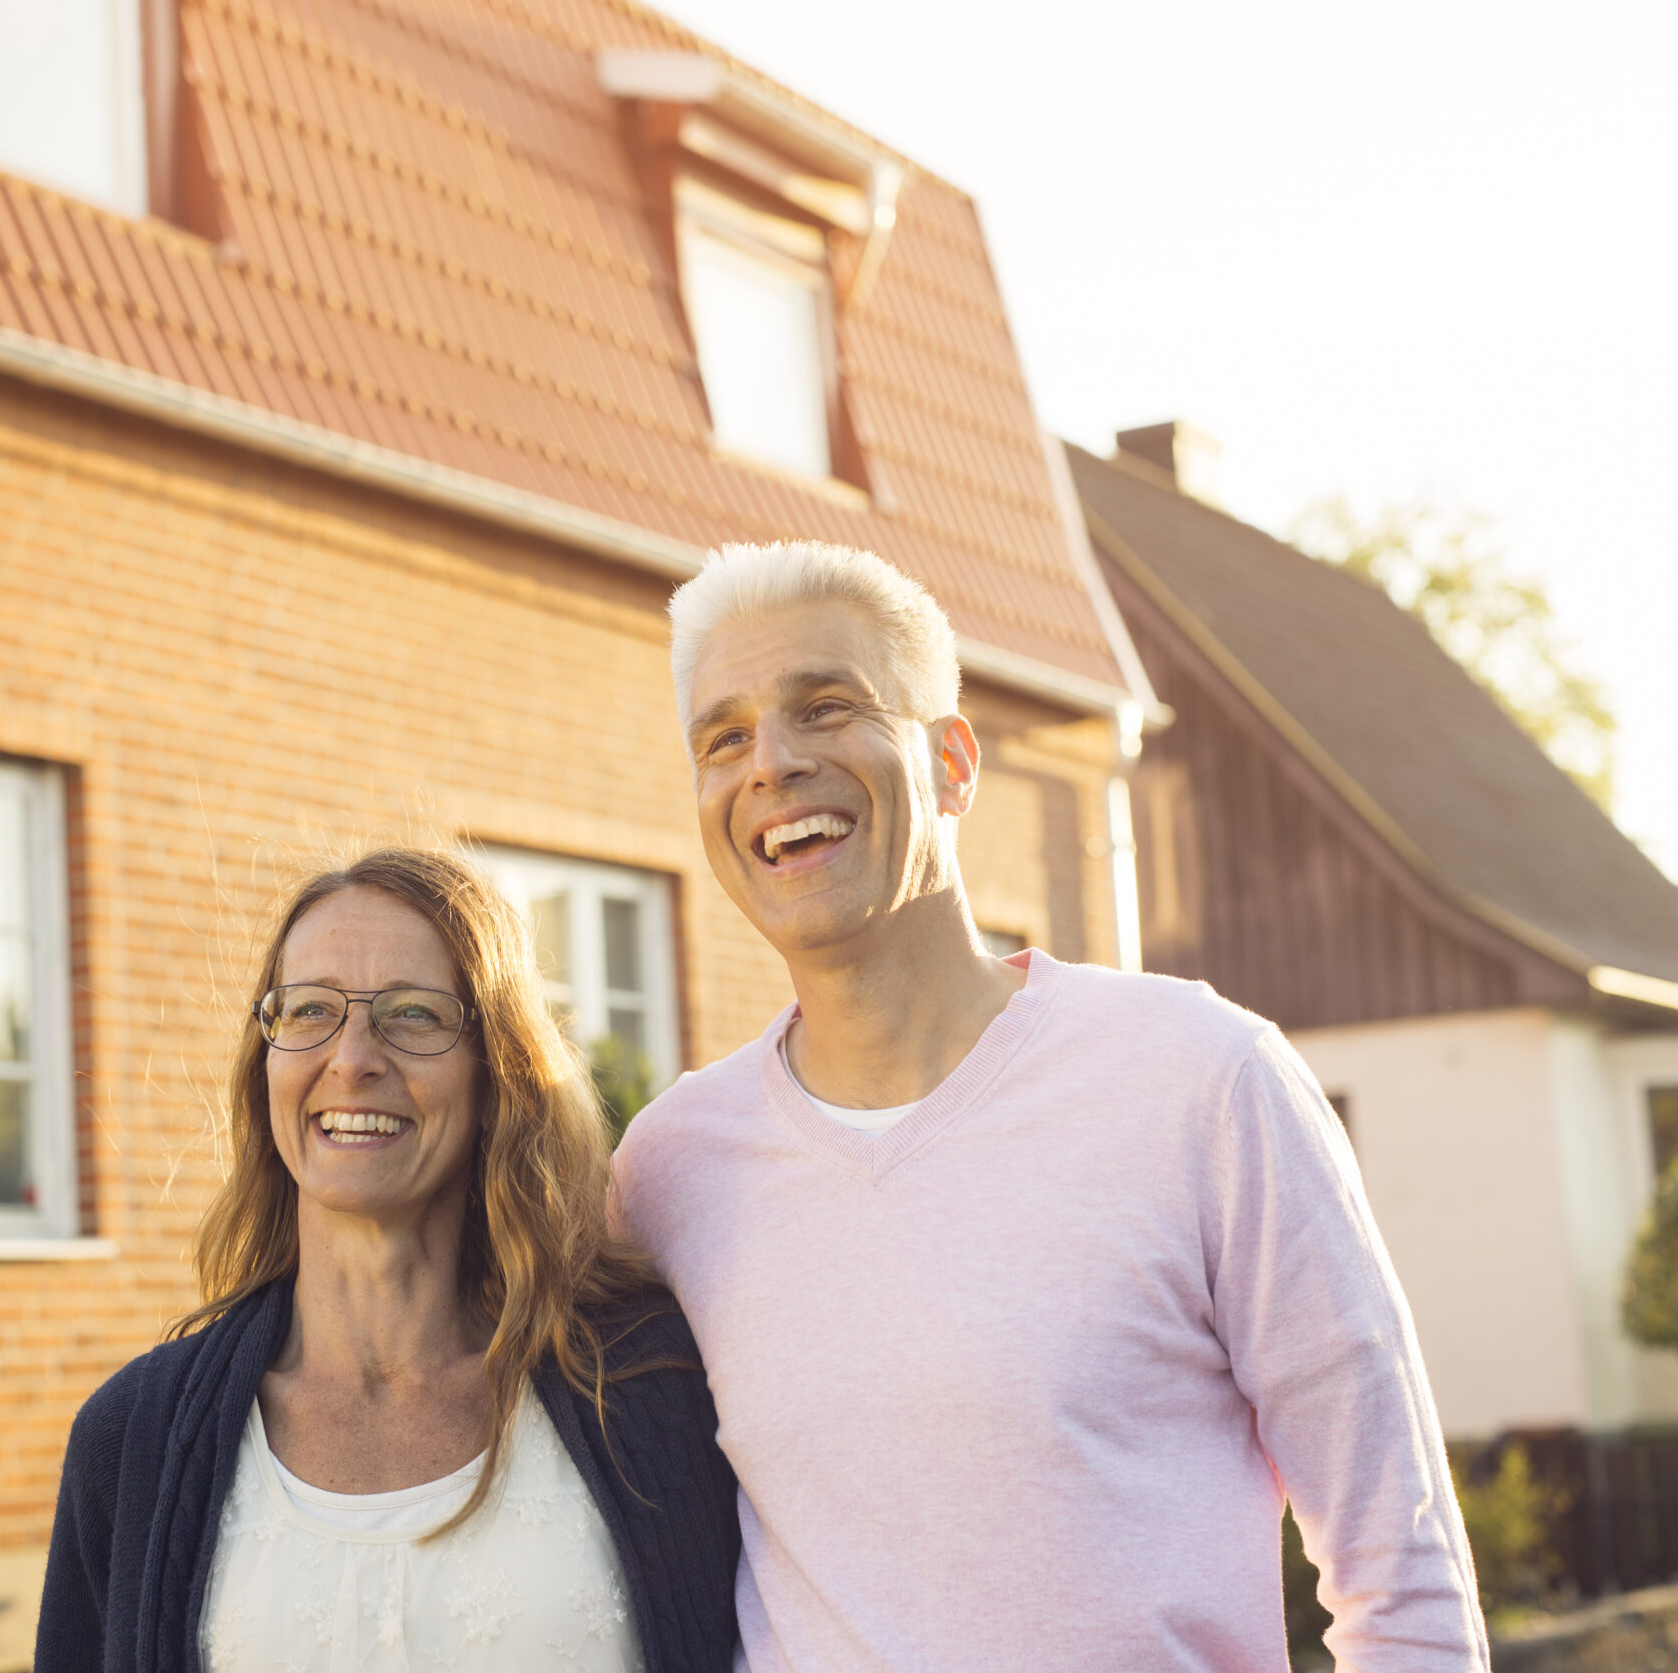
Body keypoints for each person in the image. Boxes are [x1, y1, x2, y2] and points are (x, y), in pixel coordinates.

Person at [613, 543, 1488, 1670]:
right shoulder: (670, 1169)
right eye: (721, 737)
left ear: (953, 765)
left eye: (826, 707)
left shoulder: (1199, 1079)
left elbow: (1401, 1579)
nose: (770, 764)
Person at [37, 849, 739, 1673]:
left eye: (413, 1013)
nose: (353, 1057)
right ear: (266, 1065)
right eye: (308, 1011)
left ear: (496, 1075)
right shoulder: (131, 1441)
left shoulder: (645, 1384)